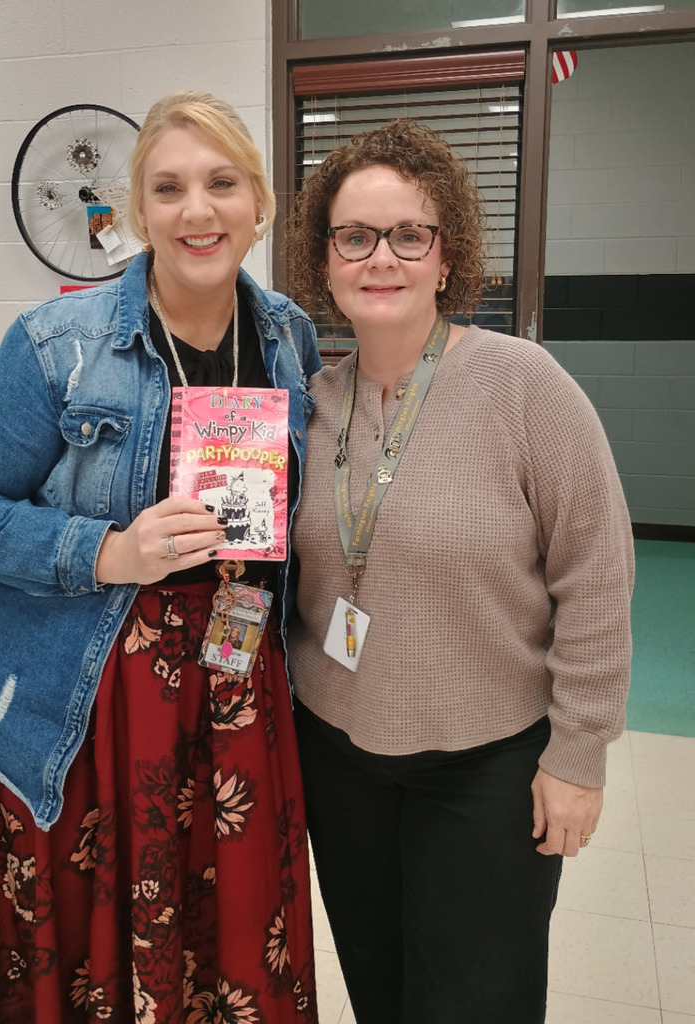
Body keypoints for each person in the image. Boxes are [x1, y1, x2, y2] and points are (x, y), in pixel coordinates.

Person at [0, 90, 321, 1024]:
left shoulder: (289, 338)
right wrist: (106, 551)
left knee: (227, 944)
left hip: (234, 681)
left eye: (222, 183)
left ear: (258, 202)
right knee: (88, 957)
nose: (197, 210)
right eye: (169, 187)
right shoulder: (60, 346)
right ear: (137, 212)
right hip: (86, 697)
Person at [284, 119, 634, 1024]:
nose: (381, 257)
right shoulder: (307, 406)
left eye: (410, 235)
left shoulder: (526, 386)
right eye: (354, 236)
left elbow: (595, 572)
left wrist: (580, 753)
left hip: (490, 765)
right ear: (324, 262)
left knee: (478, 999)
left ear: (447, 258)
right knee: (380, 983)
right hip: (338, 758)